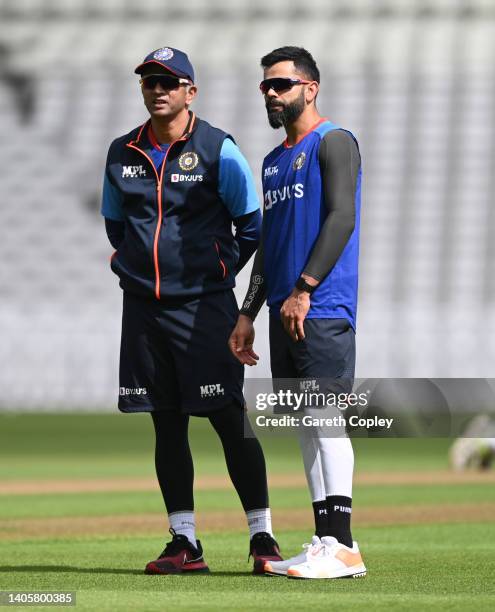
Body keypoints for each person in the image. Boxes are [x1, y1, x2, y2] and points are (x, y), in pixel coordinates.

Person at [101, 47, 282, 575]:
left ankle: (262, 535)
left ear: (190, 92)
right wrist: (134, 266)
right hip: (143, 310)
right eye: (149, 82)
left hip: (204, 309)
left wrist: (218, 270)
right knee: (166, 423)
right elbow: (116, 226)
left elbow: (251, 227)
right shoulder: (121, 152)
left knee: (229, 418)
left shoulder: (217, 149)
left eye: (168, 82)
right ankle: (184, 542)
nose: (157, 89)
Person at [229, 46, 366, 579]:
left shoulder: (334, 142)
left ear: (310, 88)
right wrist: (247, 311)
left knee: (326, 419)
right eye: (265, 85)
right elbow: (269, 245)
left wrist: (307, 287)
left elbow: (341, 217)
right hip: (284, 310)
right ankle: (325, 541)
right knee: (307, 425)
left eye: (281, 84)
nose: (271, 92)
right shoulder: (272, 161)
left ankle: (346, 545)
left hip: (322, 307)